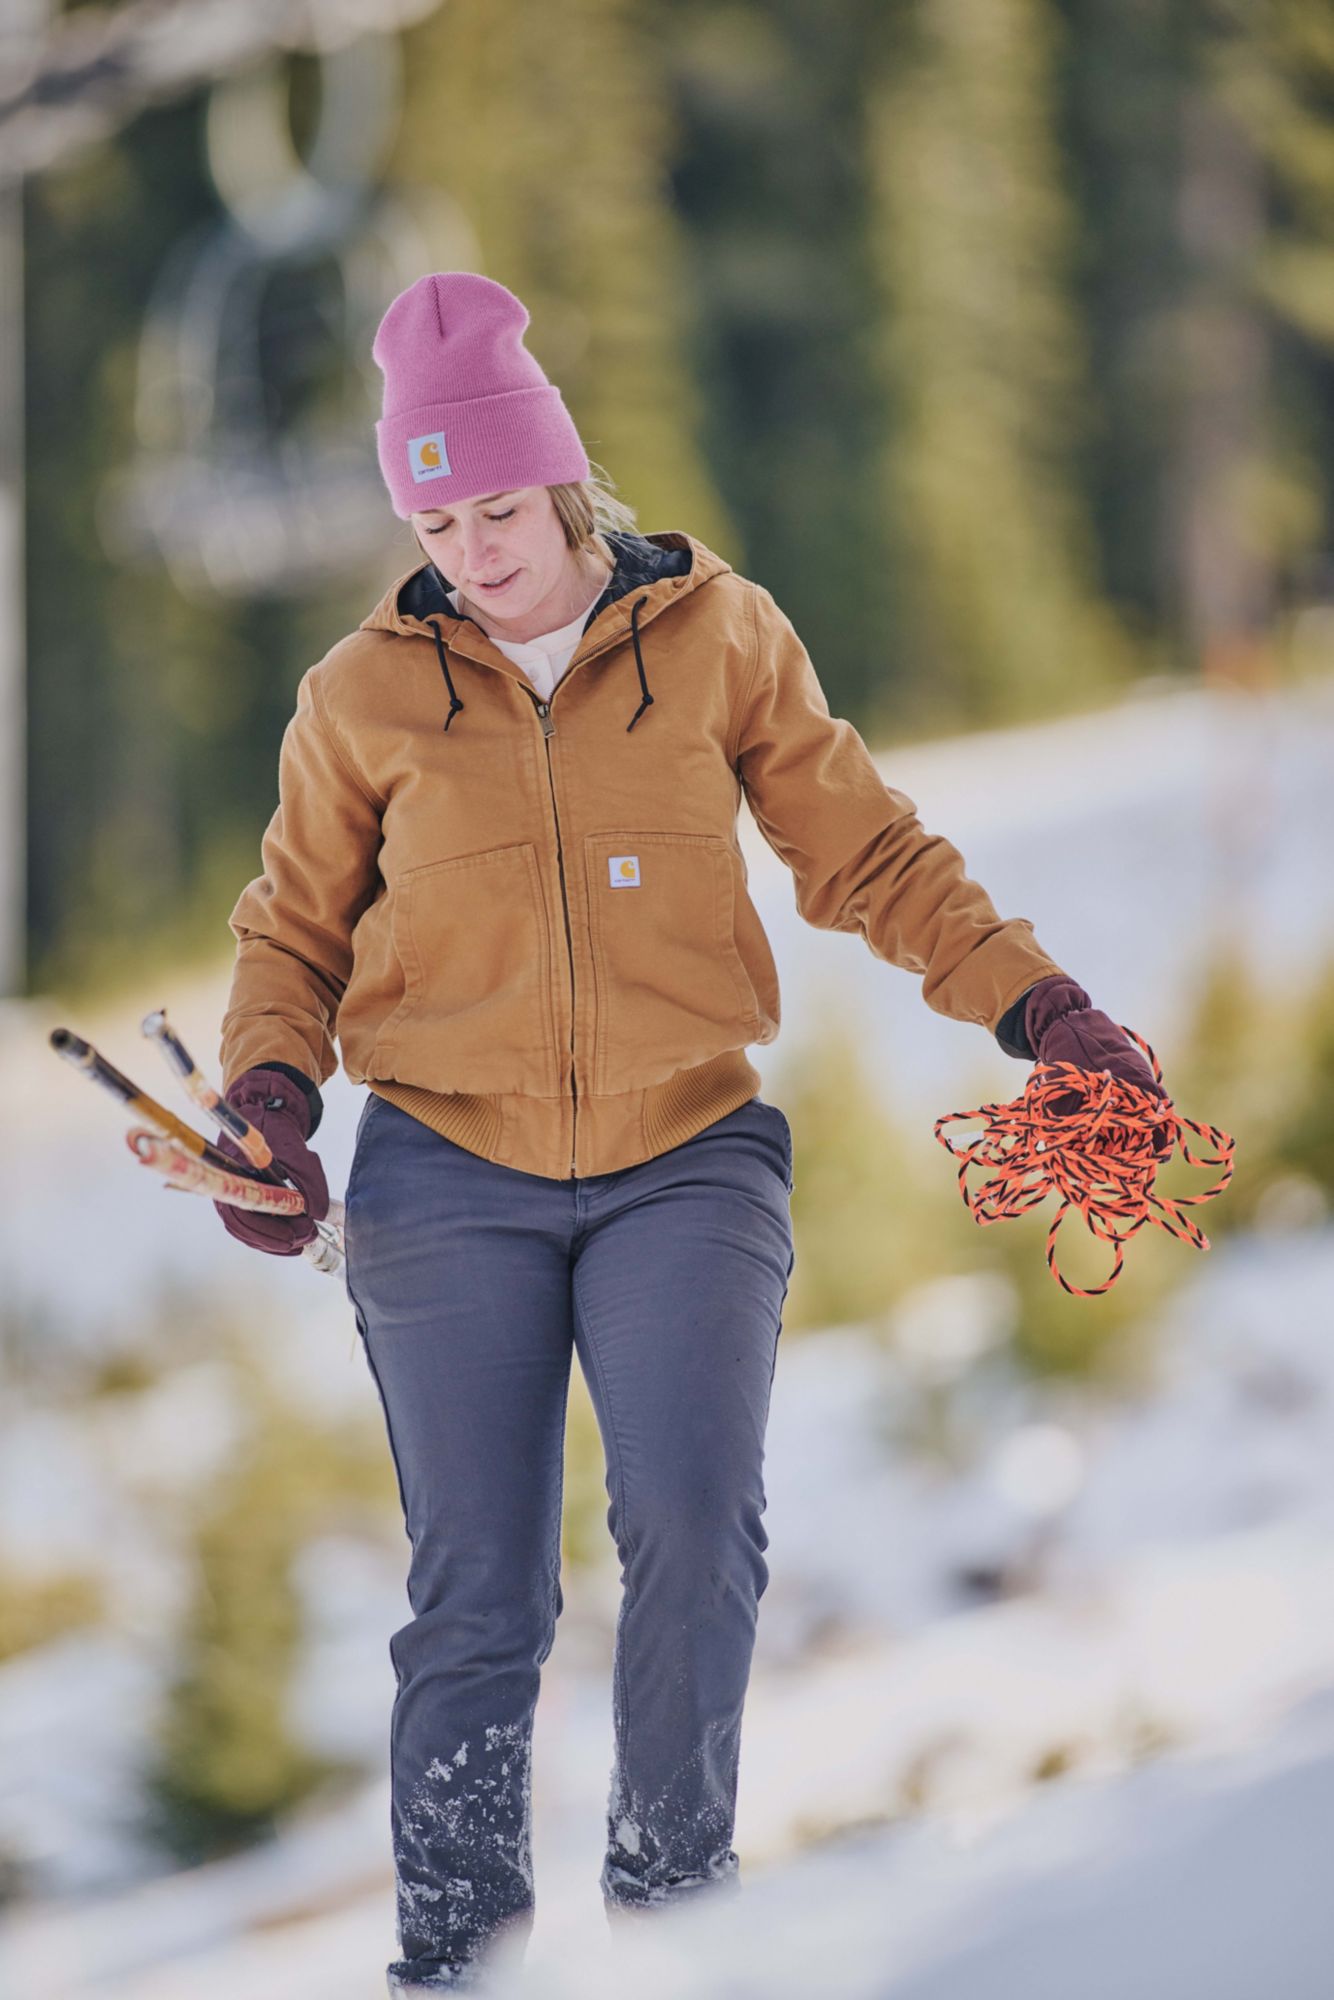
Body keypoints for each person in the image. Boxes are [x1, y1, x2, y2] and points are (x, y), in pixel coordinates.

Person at [214, 271, 1167, 1994]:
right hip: (445, 1169)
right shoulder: (359, 693)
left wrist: (1043, 1011)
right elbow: (290, 933)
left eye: (497, 507)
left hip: (686, 1154)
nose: (474, 548)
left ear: (562, 482)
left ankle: (674, 1924)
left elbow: (867, 856)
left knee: (690, 1521)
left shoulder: (716, 636)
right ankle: (456, 1965)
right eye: (434, 515)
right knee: (478, 1596)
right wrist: (269, 1099)